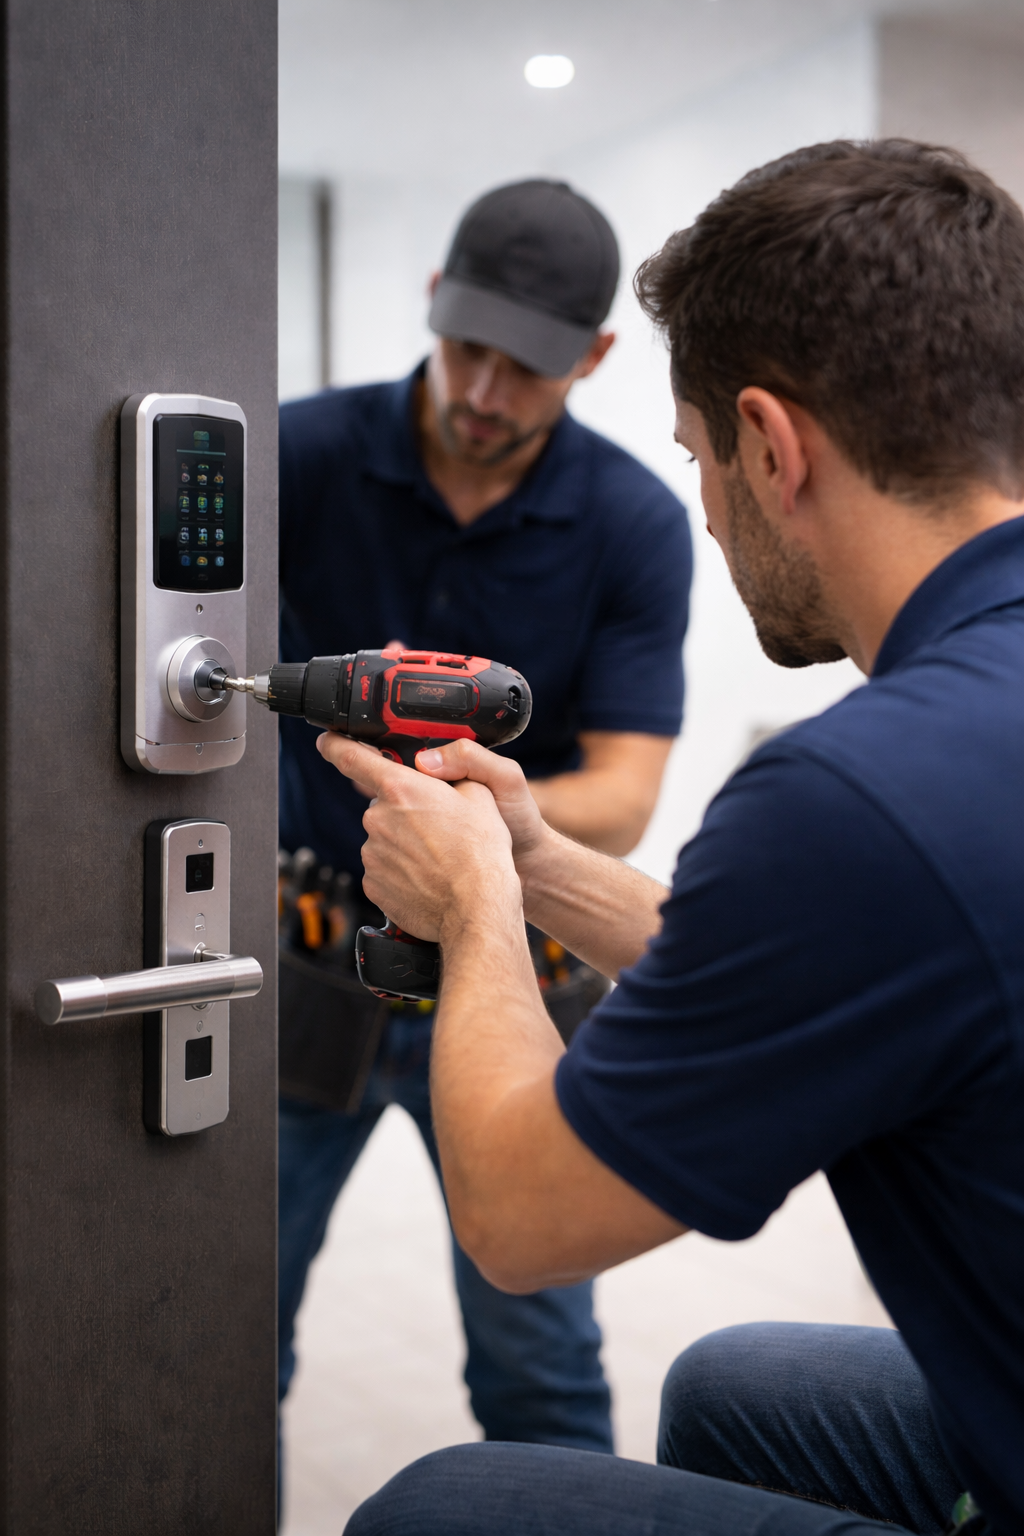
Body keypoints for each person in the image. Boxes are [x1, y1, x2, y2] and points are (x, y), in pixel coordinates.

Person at [320, 140, 1024, 1536]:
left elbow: (523, 1222)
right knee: (736, 1383)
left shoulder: (852, 793)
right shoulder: (956, 747)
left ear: (772, 446)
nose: (703, 504)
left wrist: (470, 915)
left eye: (701, 456)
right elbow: (841, 955)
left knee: (445, 1505)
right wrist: (530, 859)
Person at [277, 177, 692, 1466]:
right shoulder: (289, 457)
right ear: (432, 308)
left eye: (526, 369)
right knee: (222, 1324)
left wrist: (461, 833)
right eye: (466, 350)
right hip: (309, 951)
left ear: (596, 358)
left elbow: (623, 796)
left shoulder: (634, 524)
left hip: (523, 966)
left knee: (540, 1356)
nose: (484, 392)